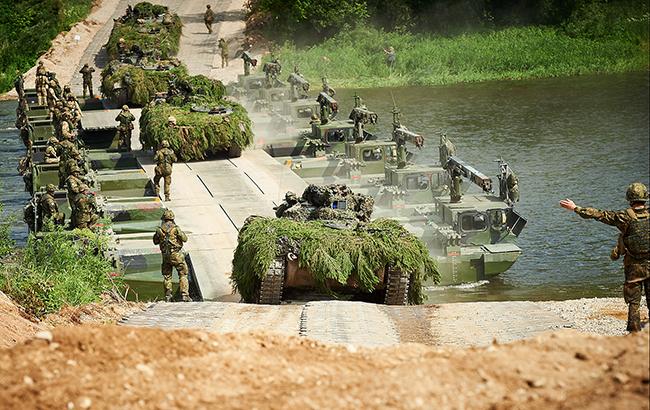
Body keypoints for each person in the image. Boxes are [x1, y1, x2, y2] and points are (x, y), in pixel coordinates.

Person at [560, 182, 649, 332]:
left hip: (634, 267)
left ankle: (634, 334)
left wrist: (576, 208)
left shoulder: (624, 217)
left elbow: (599, 214)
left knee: (634, 302)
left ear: (629, 199)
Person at [153, 210, 190, 302]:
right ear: (172, 219)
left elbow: (155, 241)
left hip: (165, 256)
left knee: (167, 276)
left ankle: (168, 295)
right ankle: (184, 295)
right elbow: (185, 239)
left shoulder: (159, 230)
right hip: (176, 255)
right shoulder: (176, 228)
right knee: (183, 274)